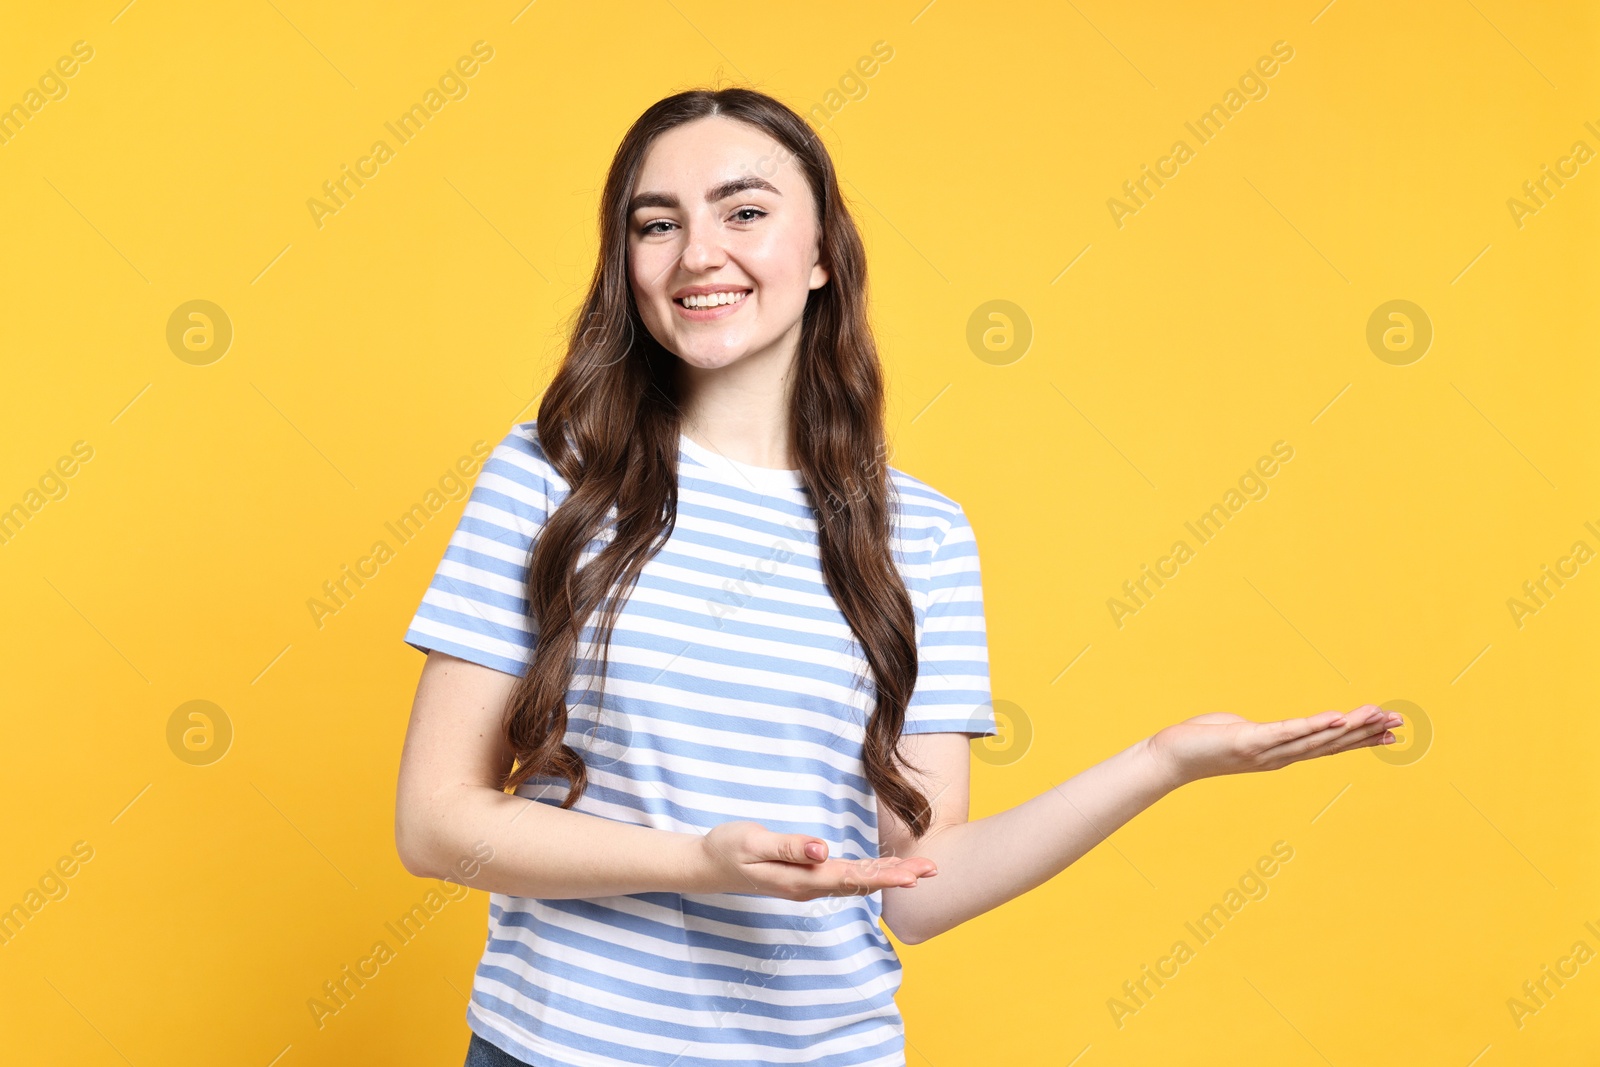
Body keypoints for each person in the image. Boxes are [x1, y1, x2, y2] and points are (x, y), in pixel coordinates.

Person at [394, 86, 1402, 1067]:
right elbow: (436, 821)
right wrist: (696, 860)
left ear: (823, 251)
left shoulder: (918, 532)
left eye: (744, 210)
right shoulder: (550, 478)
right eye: (656, 224)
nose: (700, 252)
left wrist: (1162, 760)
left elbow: (915, 884)